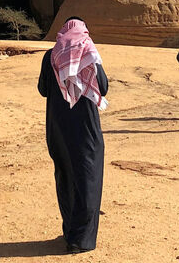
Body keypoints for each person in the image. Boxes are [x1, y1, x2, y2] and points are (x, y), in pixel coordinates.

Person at [37, 18, 109, 253]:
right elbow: (103, 87)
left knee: (65, 175)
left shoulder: (51, 56)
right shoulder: (88, 50)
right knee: (88, 177)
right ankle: (81, 238)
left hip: (58, 125)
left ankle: (70, 230)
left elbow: (43, 89)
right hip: (85, 127)